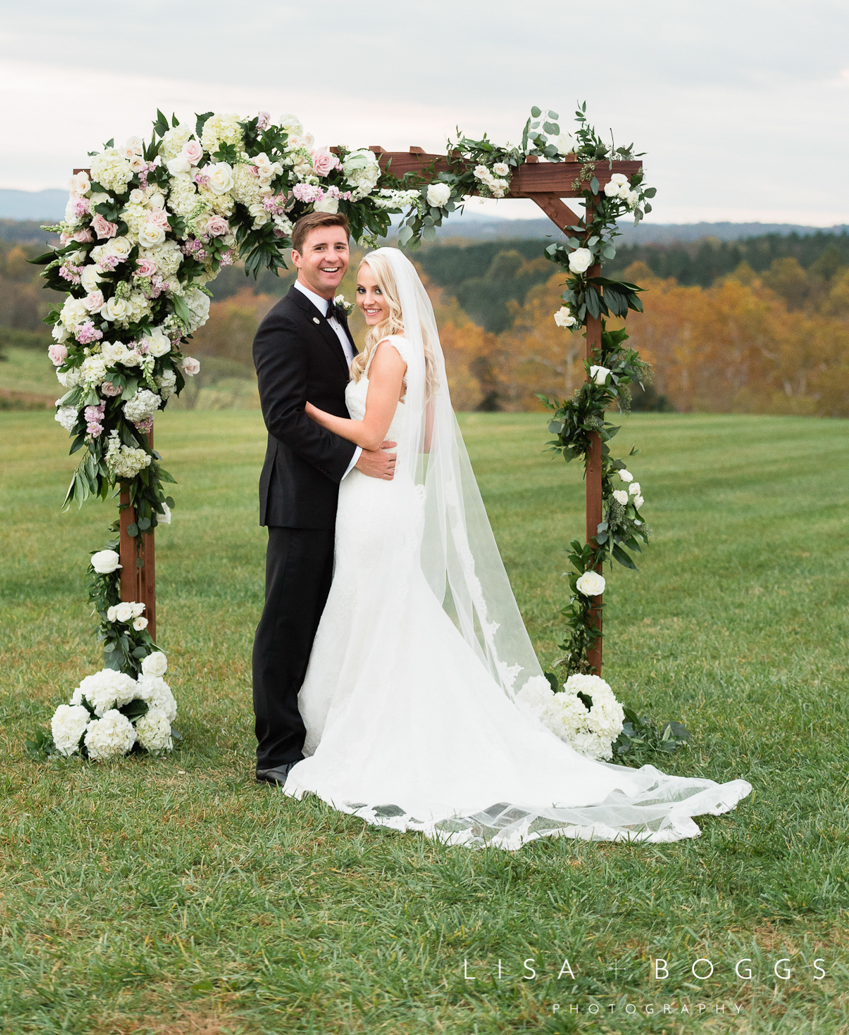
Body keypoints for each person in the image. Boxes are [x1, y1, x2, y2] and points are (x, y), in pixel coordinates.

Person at [282, 246, 751, 847]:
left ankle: (375, 727)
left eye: (378, 290)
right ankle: (373, 716)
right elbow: (419, 436)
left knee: (377, 605)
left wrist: (311, 411)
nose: (368, 300)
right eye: (364, 289)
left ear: (398, 298)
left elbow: (373, 433)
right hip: (382, 497)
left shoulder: (392, 353)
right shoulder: (401, 350)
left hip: (377, 503)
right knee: (382, 606)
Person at [250, 211, 396, 786]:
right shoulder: (282, 325)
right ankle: (277, 753)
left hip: (342, 502)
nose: (333, 256)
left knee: (327, 622)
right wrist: (357, 458)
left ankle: (319, 731)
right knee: (286, 624)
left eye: (340, 246)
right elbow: (283, 417)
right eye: (320, 248)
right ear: (296, 257)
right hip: (300, 502)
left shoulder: (338, 317)